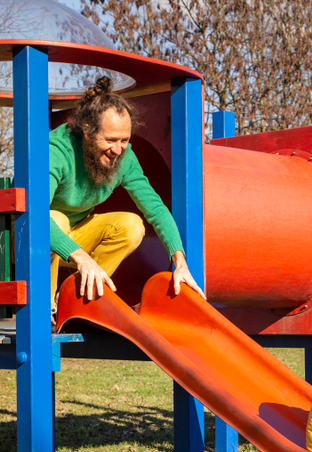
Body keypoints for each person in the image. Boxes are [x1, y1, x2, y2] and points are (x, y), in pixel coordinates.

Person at [49, 76, 205, 318]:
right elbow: (35, 216)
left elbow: (155, 209)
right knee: (56, 219)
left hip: (75, 233)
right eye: (110, 140)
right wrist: (81, 257)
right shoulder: (57, 150)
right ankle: (46, 308)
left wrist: (180, 262)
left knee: (132, 225)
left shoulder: (124, 158)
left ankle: (75, 297)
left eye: (124, 140)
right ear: (88, 131)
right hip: (28, 234)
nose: (118, 149)